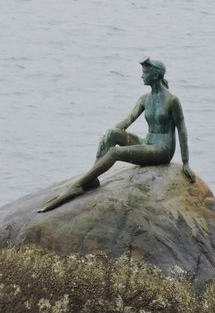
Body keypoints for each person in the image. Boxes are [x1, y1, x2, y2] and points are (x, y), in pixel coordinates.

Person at [38, 57, 195, 213]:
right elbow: (127, 121)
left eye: (145, 72)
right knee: (110, 134)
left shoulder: (172, 100)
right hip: (147, 142)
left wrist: (185, 162)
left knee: (115, 153)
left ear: (155, 75)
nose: (142, 76)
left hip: (162, 149)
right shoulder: (144, 99)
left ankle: (77, 186)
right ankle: (91, 180)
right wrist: (108, 135)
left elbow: (182, 129)